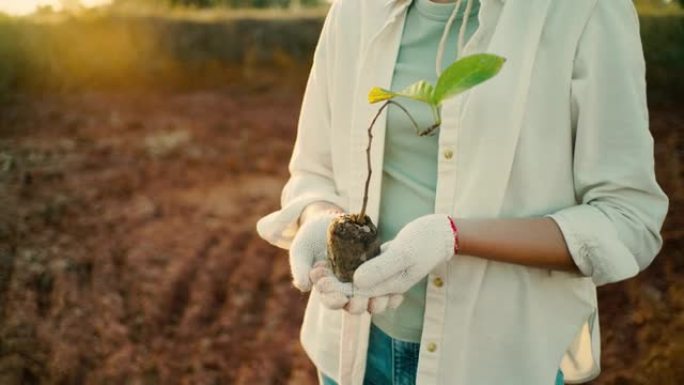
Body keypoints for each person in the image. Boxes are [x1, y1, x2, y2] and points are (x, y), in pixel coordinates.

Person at [256, 0, 669, 384]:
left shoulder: (581, 12)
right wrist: (320, 218)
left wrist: (451, 236)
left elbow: (627, 217)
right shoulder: (356, 9)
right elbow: (314, 170)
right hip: (354, 351)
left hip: (495, 361)